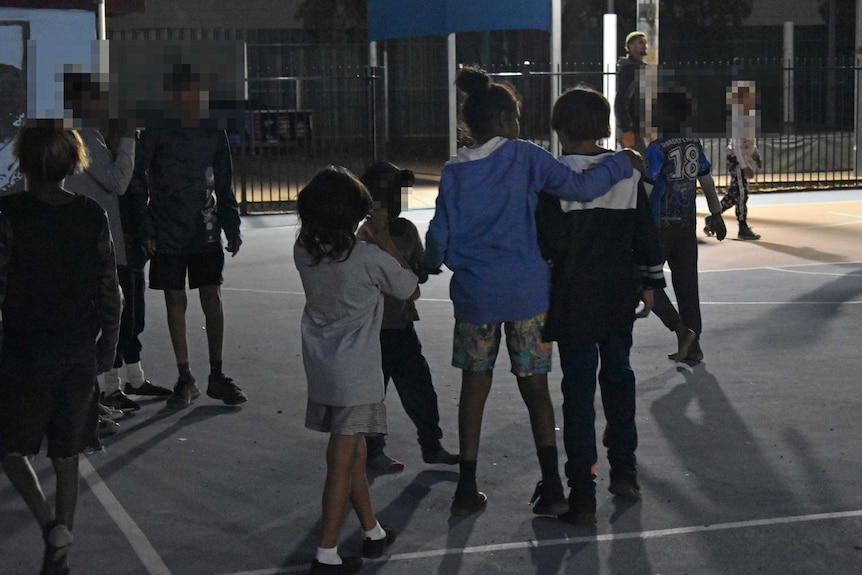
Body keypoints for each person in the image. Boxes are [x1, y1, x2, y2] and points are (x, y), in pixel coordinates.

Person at [424, 66, 639, 517]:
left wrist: (439, 263)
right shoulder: (524, 156)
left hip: (476, 297)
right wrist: (624, 161)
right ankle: (554, 486)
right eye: (517, 115)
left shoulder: (453, 170)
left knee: (474, 388)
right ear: (504, 119)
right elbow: (580, 187)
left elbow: (438, 240)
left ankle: (467, 485)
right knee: (536, 389)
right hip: (526, 294)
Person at [536, 87, 666, 525]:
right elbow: (645, 235)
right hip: (617, 296)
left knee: (577, 393)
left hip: (573, 300)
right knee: (618, 379)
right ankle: (624, 473)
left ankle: (582, 493)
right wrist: (649, 283)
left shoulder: (554, 177)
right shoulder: (626, 171)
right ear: (605, 126)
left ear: (560, 128)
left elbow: (549, 242)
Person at [0, 125, 121, 575]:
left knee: (12, 449)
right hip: (77, 351)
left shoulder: (8, 213)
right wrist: (107, 346)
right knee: (68, 453)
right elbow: (111, 290)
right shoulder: (91, 215)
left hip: (24, 352)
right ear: (74, 162)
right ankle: (60, 553)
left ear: (24, 163)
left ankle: (49, 524)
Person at [295, 166, 413, 574]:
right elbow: (408, 285)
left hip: (322, 368)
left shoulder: (304, 250)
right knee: (342, 461)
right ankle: (326, 552)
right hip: (357, 376)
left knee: (356, 452)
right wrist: (381, 239)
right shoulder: (367, 257)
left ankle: (372, 532)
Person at [128, 64, 246, 409]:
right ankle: (185, 377)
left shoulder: (212, 132)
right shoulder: (157, 131)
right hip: (166, 228)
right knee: (175, 300)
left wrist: (231, 223)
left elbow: (225, 182)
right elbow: (137, 179)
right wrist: (146, 226)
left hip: (203, 227)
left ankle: (217, 375)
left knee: (212, 297)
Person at [63, 72, 172, 421]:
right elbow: (118, 182)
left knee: (115, 318)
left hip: (102, 241)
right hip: (98, 245)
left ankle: (102, 393)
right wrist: (127, 138)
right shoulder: (87, 136)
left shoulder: (81, 134)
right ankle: (93, 397)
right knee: (105, 322)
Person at [356, 162, 458, 473]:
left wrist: (425, 266)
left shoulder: (408, 230)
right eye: (392, 194)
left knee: (421, 390)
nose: (399, 200)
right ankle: (372, 450)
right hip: (374, 331)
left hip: (402, 326)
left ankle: (431, 445)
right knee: (373, 395)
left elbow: (415, 276)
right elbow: (395, 280)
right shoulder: (366, 236)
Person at [644, 90, 726, 364]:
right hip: (686, 224)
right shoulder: (694, 145)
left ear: (663, 116)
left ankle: (680, 330)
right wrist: (716, 213)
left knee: (644, 279)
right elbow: (707, 181)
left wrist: (633, 216)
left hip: (660, 226)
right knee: (687, 284)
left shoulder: (657, 148)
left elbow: (647, 185)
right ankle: (695, 345)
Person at [705, 80, 762, 240]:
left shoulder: (748, 116)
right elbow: (737, 145)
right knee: (742, 193)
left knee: (735, 193)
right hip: (737, 160)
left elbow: (749, 141)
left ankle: (712, 219)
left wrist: (756, 156)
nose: (751, 98)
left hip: (742, 159)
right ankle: (742, 227)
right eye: (747, 96)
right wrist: (744, 166)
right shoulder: (739, 118)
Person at [614, 31, 649, 154]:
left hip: (639, 128)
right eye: (641, 42)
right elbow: (621, 100)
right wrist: (626, 128)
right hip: (632, 129)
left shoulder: (638, 67)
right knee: (642, 164)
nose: (645, 45)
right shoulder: (629, 69)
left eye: (645, 42)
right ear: (631, 46)